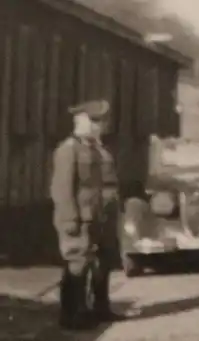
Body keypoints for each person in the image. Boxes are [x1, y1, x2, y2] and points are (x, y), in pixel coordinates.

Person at [50, 99, 125, 330]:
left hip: (102, 218)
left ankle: (100, 309)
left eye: (101, 121)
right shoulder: (68, 149)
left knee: (104, 263)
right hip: (80, 219)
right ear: (80, 121)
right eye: (94, 121)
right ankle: (71, 315)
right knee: (77, 264)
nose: (100, 126)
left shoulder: (100, 150)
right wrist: (69, 219)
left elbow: (109, 184)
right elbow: (61, 189)